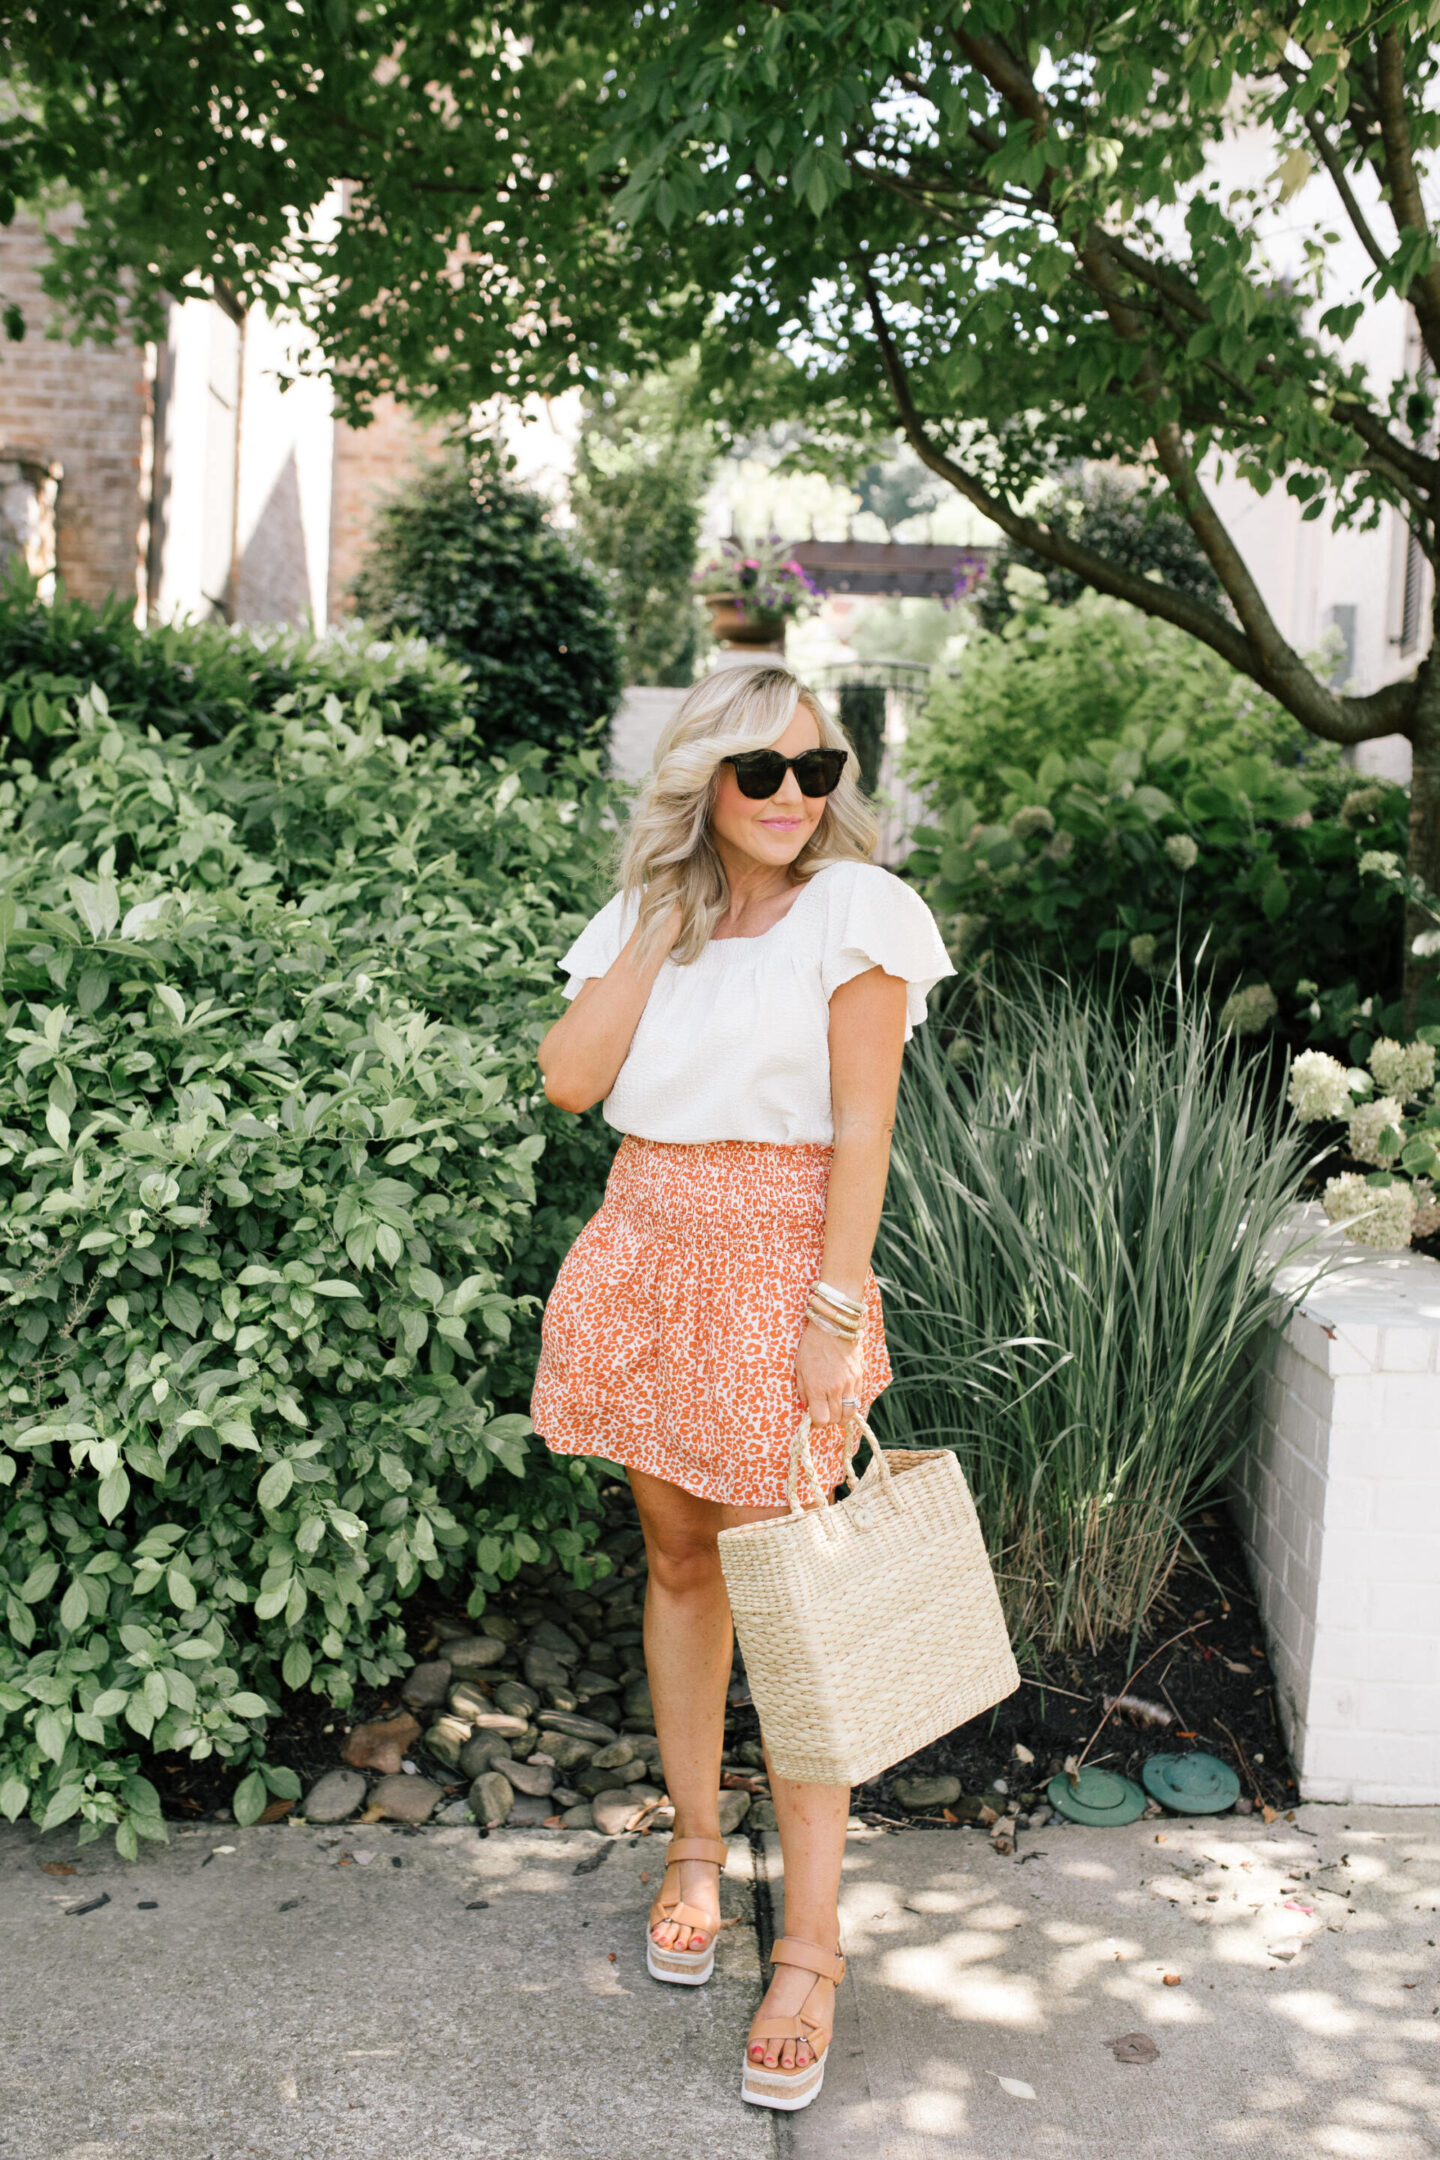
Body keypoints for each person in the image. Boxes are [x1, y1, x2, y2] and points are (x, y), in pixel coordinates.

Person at [531, 663, 953, 2113]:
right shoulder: (649, 915)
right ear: (701, 779)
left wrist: (833, 1313)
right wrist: (661, 921)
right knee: (677, 1560)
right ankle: (698, 1849)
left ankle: (814, 1943)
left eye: (815, 771)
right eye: (759, 771)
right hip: (644, 1245)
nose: (792, 797)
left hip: (782, 1265)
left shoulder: (860, 910)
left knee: (799, 1604)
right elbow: (570, 1081)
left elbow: (864, 1125)